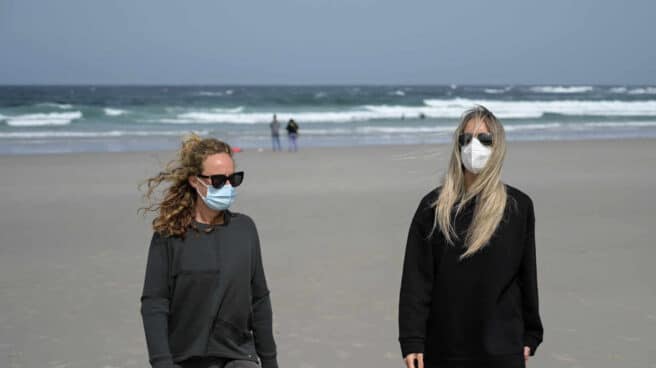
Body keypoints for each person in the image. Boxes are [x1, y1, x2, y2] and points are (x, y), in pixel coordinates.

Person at [398, 105, 543, 368]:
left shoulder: (519, 206)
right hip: (444, 348)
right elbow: (416, 279)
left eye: (484, 139)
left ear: (497, 146)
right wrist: (412, 339)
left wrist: (532, 333)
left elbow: (526, 275)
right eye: (466, 139)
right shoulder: (433, 208)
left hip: (502, 349)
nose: (473, 146)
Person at [139, 134, 278, 368]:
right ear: (195, 181)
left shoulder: (245, 229)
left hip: (239, 357)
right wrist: (162, 363)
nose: (227, 186)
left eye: (233, 179)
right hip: (185, 358)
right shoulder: (169, 235)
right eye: (217, 180)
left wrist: (270, 362)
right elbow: (155, 303)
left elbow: (259, 300)